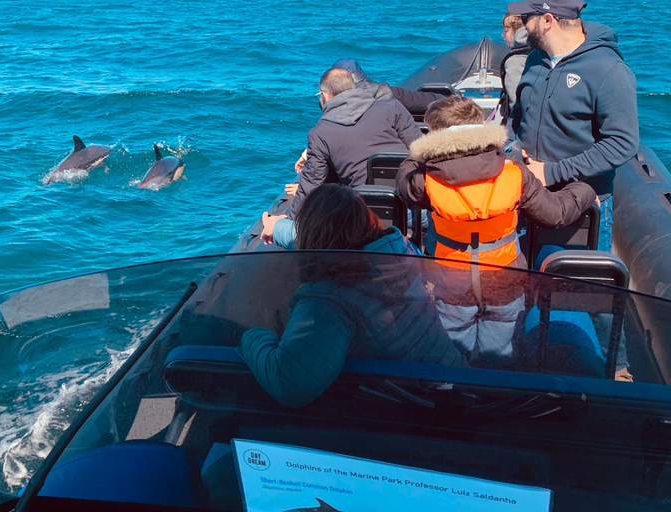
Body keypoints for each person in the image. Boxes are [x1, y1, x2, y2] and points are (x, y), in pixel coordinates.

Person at [396, 95, 596, 364]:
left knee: (454, 350)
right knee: (499, 352)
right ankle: (493, 394)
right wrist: (583, 190)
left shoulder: (424, 179)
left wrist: (417, 153)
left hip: (451, 282)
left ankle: (458, 393)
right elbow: (555, 214)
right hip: (506, 280)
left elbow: (403, 183)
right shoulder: (515, 173)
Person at [239, 184, 464, 408]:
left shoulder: (328, 301)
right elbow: (333, 239)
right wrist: (277, 227)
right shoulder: (400, 249)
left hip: (419, 407)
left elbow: (289, 384)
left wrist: (251, 336)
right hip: (457, 380)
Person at [506, 0, 639, 254]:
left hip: (579, 204)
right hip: (524, 192)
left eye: (526, 19)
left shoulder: (609, 69)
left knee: (570, 290)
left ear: (547, 20)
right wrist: (509, 147)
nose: (522, 26)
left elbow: (623, 142)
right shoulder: (535, 58)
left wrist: (551, 173)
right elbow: (519, 112)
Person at [283, 67, 420, 220]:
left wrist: (289, 220)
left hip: (365, 217)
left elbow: (312, 184)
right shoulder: (392, 107)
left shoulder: (319, 133)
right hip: (413, 206)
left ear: (325, 96)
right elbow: (421, 150)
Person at [498, 13, 530, 125]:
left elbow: (515, 102)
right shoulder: (537, 51)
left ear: (517, 32)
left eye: (506, 31)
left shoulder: (515, 61)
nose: (502, 34)